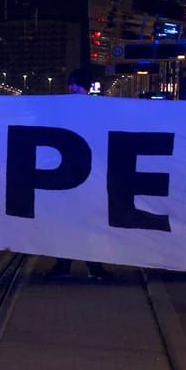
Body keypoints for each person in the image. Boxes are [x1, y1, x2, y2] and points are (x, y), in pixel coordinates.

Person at [45, 67, 113, 282]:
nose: (72, 87)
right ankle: (78, 264)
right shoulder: (91, 109)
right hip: (69, 175)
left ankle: (80, 264)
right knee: (71, 222)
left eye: (76, 83)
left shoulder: (94, 109)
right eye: (71, 83)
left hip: (86, 175)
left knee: (85, 222)